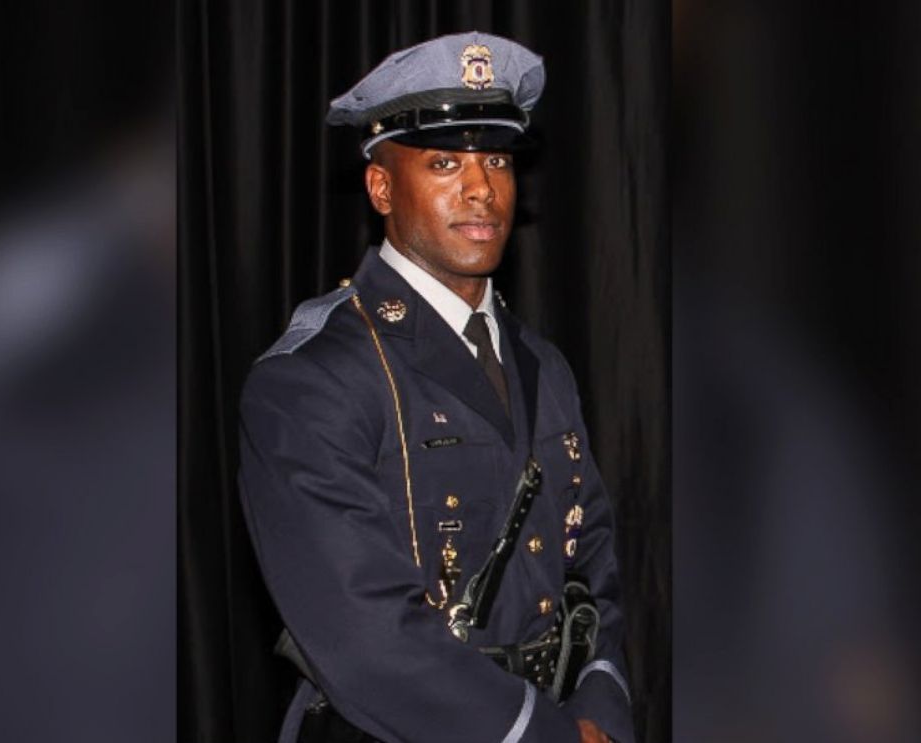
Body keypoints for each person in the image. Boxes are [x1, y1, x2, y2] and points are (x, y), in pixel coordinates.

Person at [238, 32, 634, 743]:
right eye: (446, 161)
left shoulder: (543, 362)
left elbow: (592, 559)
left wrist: (602, 702)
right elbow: (367, 642)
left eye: (498, 160)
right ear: (381, 186)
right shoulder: (311, 378)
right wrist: (543, 733)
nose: (482, 187)